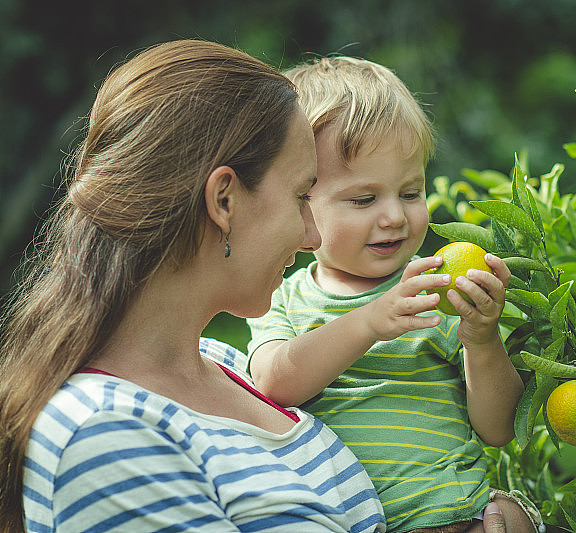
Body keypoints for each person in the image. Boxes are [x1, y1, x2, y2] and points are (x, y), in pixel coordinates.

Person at [0, 40, 391, 533]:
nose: (313, 237)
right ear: (224, 200)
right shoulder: (104, 433)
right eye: (299, 197)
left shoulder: (232, 368)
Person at [246, 57, 540, 533]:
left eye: (410, 192)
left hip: (453, 516)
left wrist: (482, 340)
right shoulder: (285, 296)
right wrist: (368, 321)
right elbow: (276, 385)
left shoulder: (435, 290)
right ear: (301, 199)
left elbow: (498, 428)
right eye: (364, 200)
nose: (394, 218)